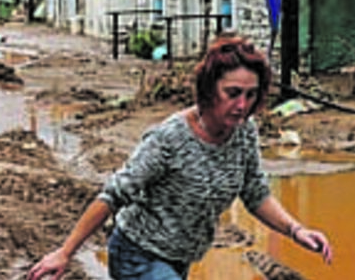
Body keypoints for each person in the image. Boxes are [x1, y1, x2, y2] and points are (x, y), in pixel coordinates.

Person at [27, 34, 333, 280]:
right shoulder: (169, 139)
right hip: (138, 255)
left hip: (179, 260)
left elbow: (255, 193)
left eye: (251, 95)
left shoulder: (244, 132)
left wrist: (296, 230)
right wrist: (65, 253)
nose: (242, 105)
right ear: (209, 90)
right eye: (233, 93)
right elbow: (112, 195)